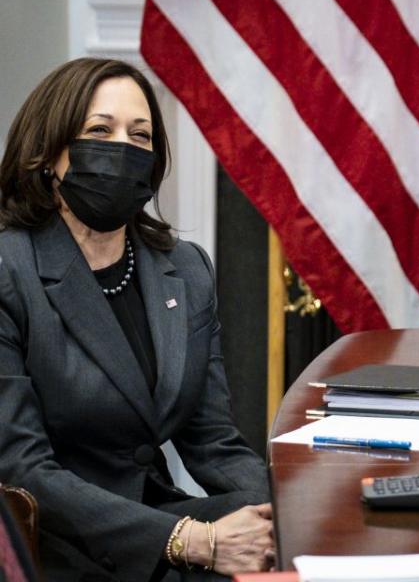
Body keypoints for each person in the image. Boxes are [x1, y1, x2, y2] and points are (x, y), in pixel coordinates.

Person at [0, 58, 274, 581]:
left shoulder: (186, 269)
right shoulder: (9, 271)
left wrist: (276, 515)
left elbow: (212, 439)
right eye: (100, 131)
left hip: (158, 515)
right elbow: (23, 468)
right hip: (57, 541)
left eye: (140, 135)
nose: (122, 148)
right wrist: (194, 541)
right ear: (48, 154)